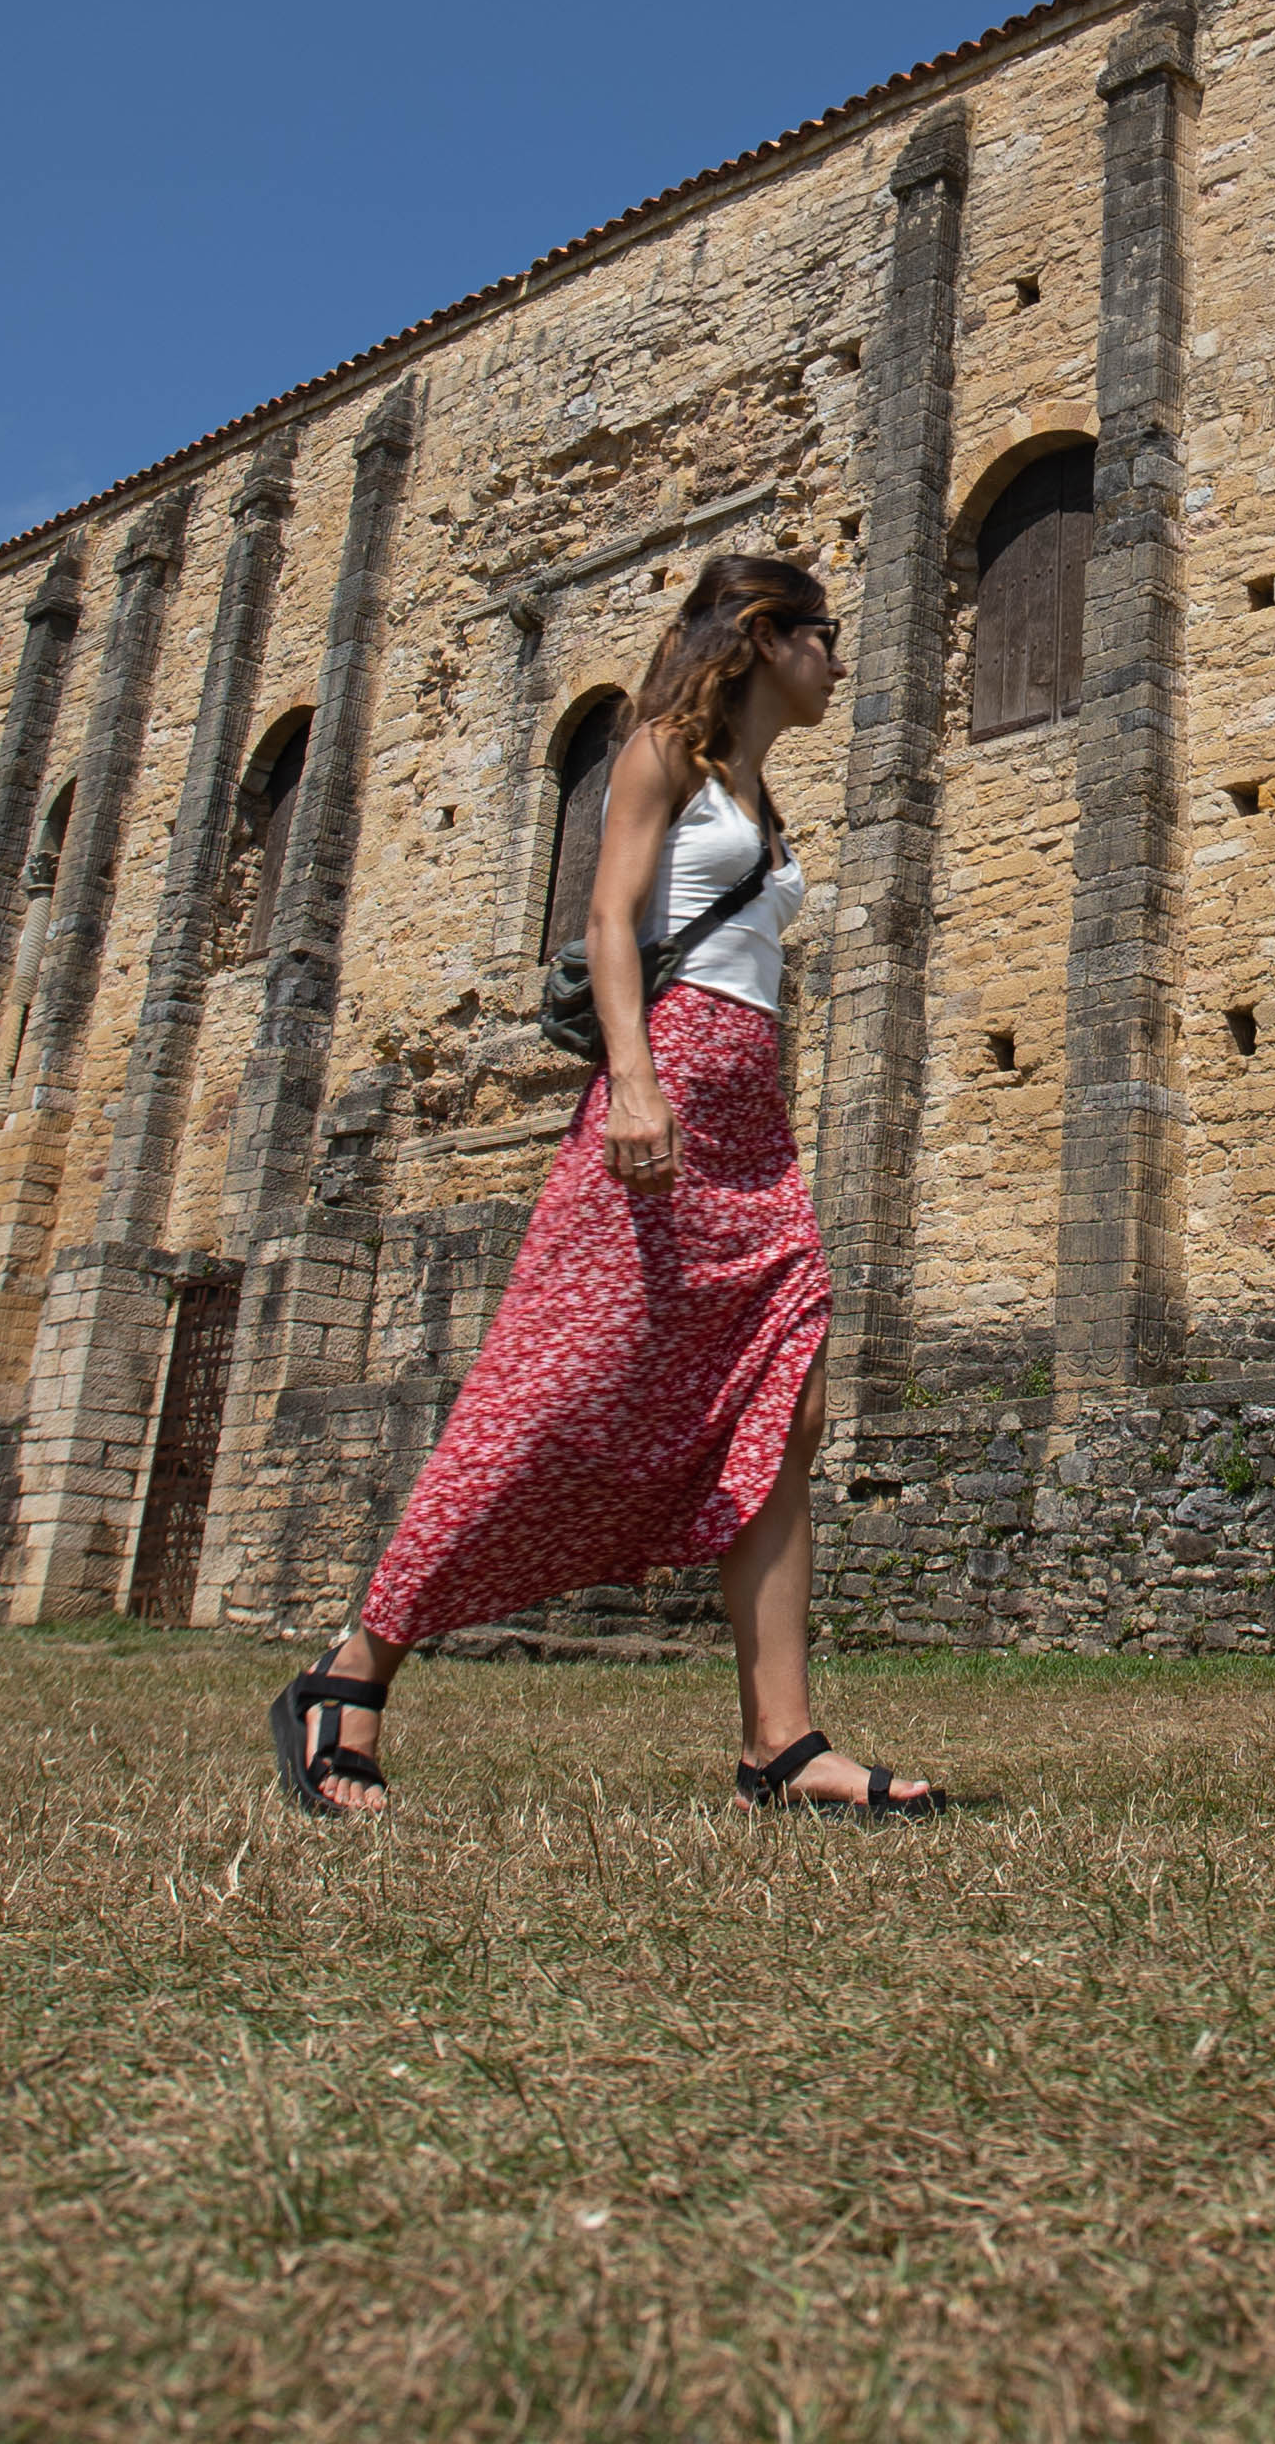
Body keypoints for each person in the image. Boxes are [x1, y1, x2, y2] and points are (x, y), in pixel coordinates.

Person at [263, 555, 947, 1822]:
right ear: (762, 636)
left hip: (754, 1116)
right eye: (824, 635)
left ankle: (781, 1746)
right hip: (670, 1092)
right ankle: (350, 1675)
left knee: (785, 1406)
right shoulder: (658, 754)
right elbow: (606, 923)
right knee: (547, 1396)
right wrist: (634, 1080)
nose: (840, 660)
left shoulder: (760, 789)